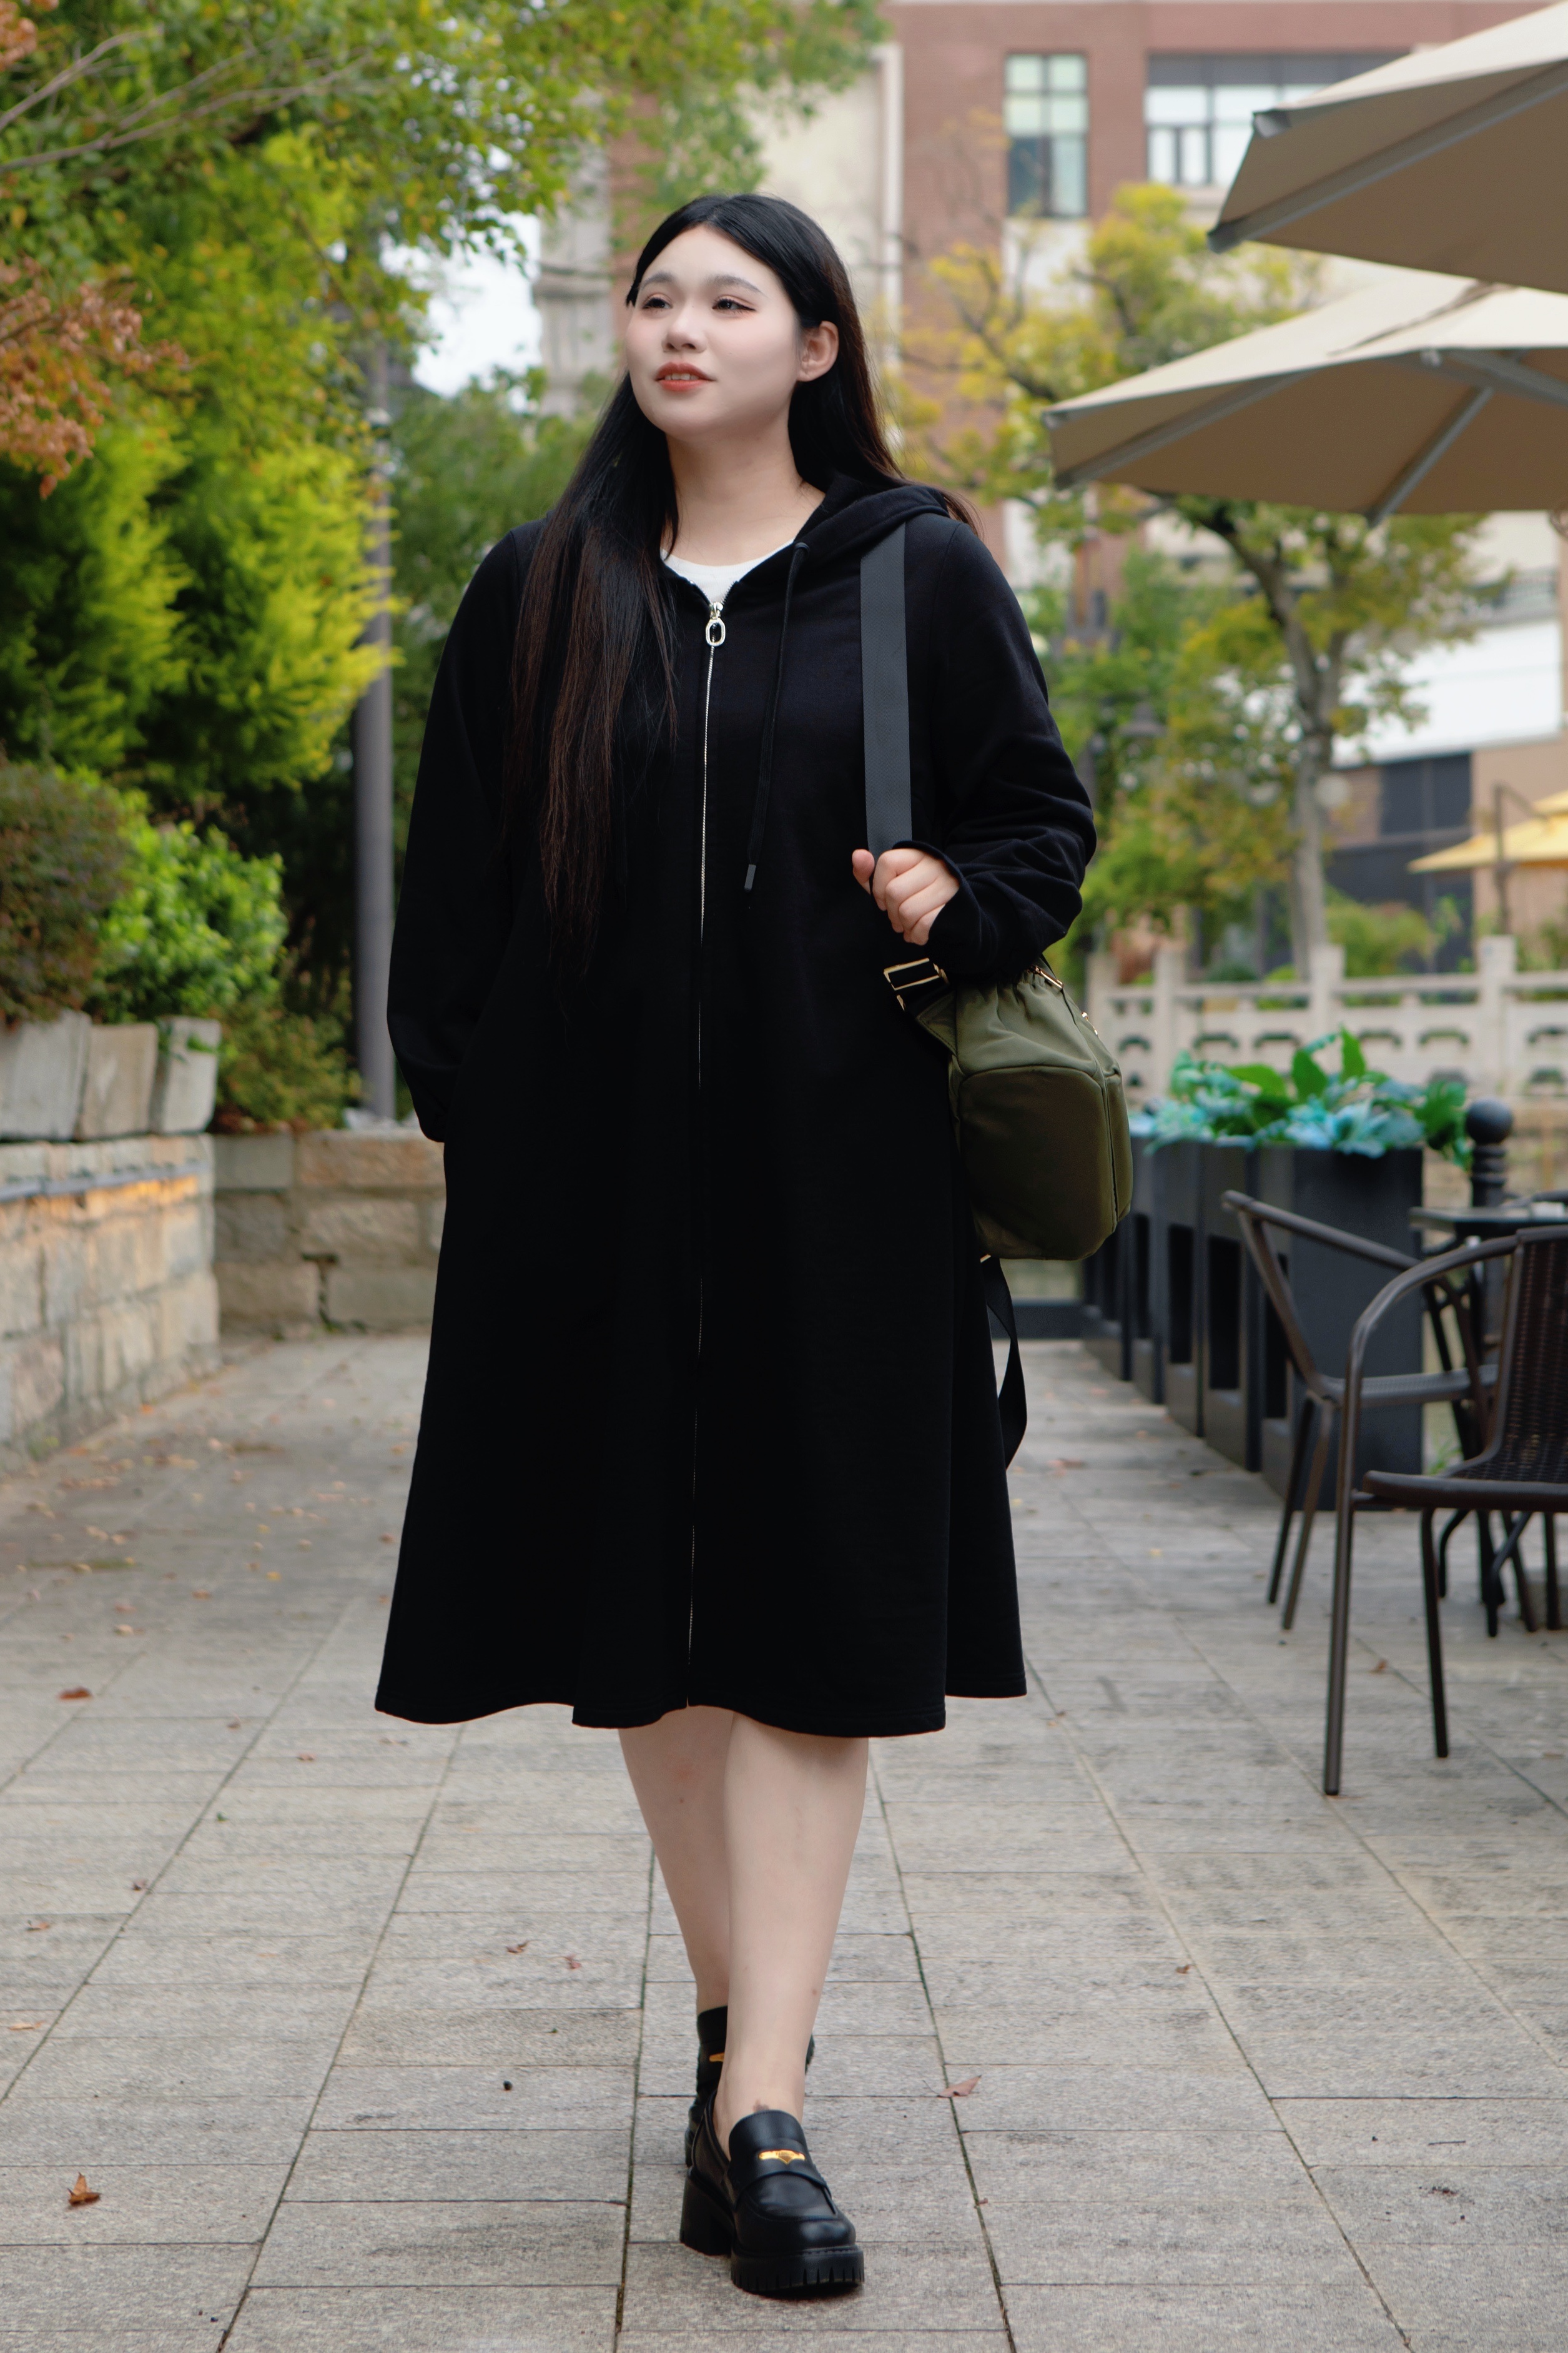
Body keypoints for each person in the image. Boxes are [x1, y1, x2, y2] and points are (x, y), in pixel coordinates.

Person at [376, 190, 1093, 2298]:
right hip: (582, 1191)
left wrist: (957, 902)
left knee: (812, 1619)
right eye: (655, 296)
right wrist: (487, 1114)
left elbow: (1041, 822)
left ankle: (764, 2105)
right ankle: (735, 2057)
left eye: (729, 299)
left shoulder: (914, 572)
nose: (679, 327)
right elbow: (457, 891)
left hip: (840, 1177)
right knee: (646, 1630)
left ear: (816, 346)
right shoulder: (538, 590)